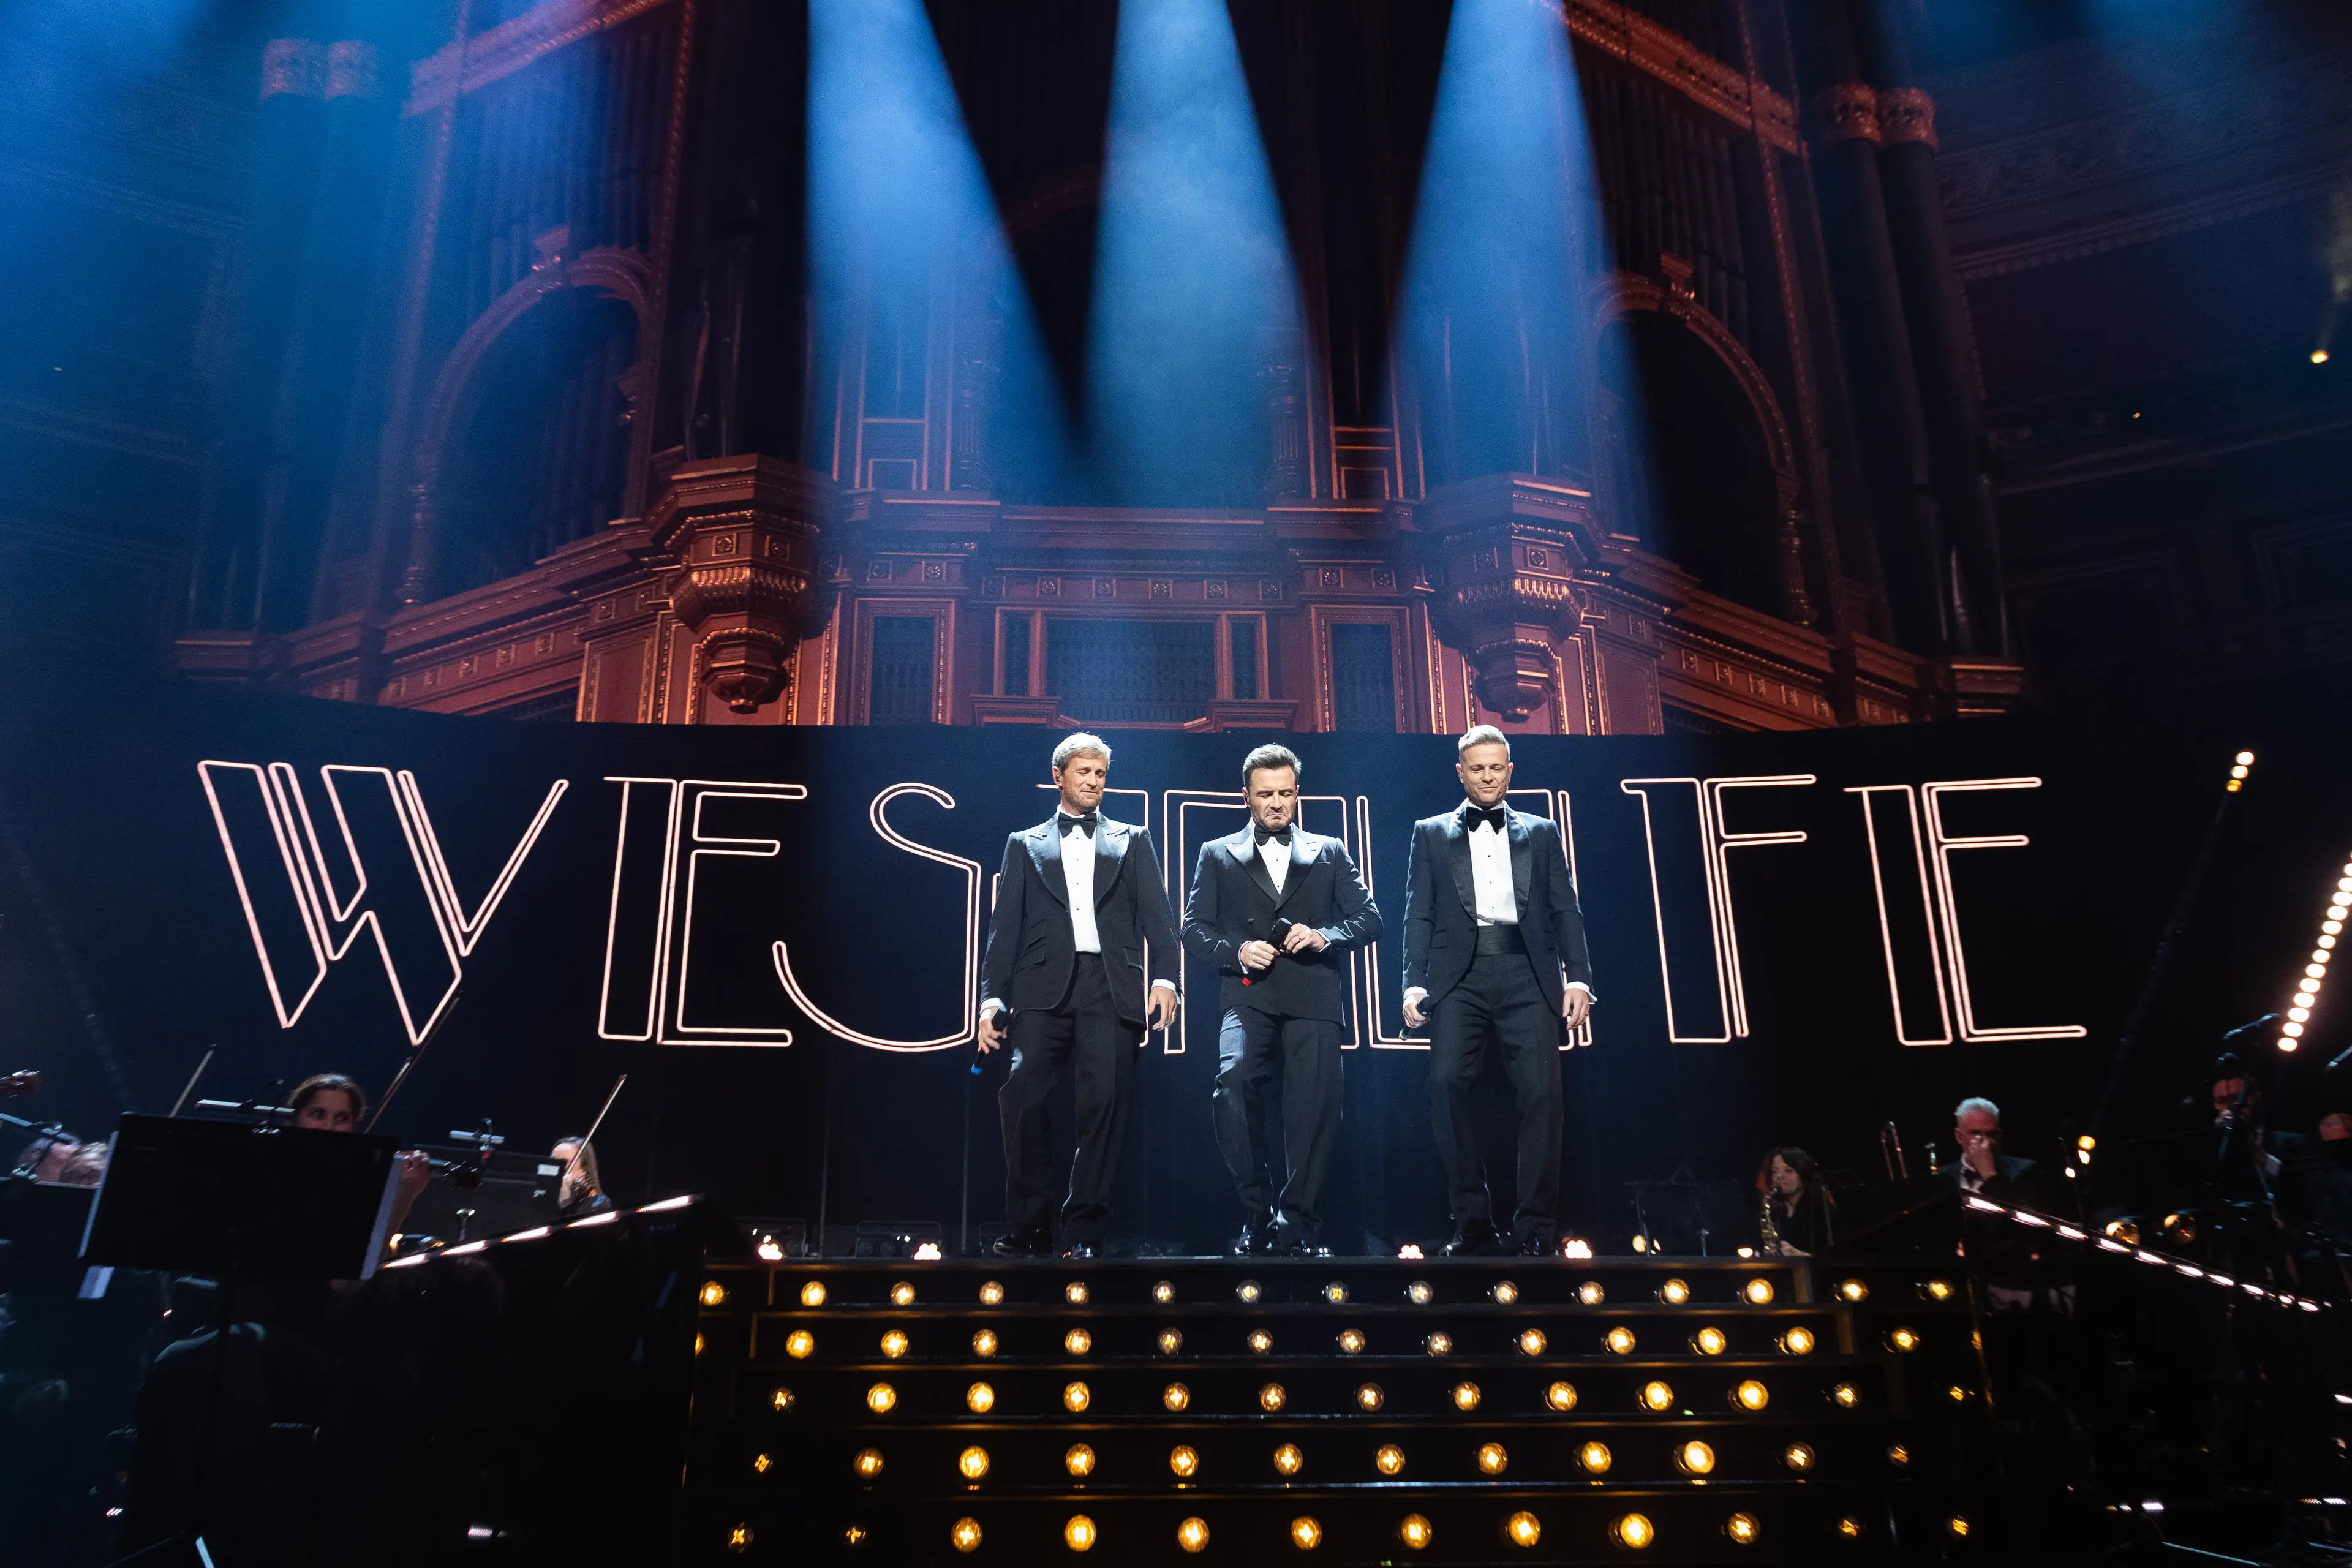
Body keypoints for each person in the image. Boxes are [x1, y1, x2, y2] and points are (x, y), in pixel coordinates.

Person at [977, 733, 1180, 1261]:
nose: (1093, 782)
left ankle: (1085, 1230)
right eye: (1084, 772)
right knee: (1024, 1096)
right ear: (1059, 774)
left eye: (1101, 774)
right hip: (1041, 987)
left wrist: (1165, 981)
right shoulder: (1025, 843)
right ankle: (1031, 1226)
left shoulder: (1133, 839)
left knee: (1105, 1108)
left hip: (1111, 988)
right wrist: (991, 1000)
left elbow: (1158, 919)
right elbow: (1005, 930)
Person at [1400, 726, 1596, 1257]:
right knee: (1445, 1086)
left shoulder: (1542, 831)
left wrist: (1577, 977)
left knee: (1542, 1095)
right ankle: (1473, 1220)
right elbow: (1418, 910)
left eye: (1496, 768)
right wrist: (1412, 982)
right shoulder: (1431, 832)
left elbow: (1565, 910)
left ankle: (1535, 1225)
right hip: (1457, 977)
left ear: (1510, 771)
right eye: (1477, 768)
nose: (1487, 776)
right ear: (1460, 772)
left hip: (1526, 973)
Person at [1182, 744, 1381, 1257]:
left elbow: (1370, 919)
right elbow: (1193, 930)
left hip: (1312, 992)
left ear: (1298, 794)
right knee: (1234, 1082)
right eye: (1266, 794)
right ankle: (1257, 1212)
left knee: (1315, 1109)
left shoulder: (1329, 849)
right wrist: (1239, 949)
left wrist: (1325, 936)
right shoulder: (1217, 852)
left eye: (1286, 794)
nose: (1276, 803)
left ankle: (1299, 1225)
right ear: (1245, 796)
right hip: (1247, 993)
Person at [288, 1074, 432, 1234]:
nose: (329, 1127)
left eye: (342, 1118)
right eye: (318, 1114)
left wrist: (407, 1193)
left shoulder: (357, 1181)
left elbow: (368, 1255)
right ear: (295, 1117)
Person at [1939, 1095, 2040, 1203]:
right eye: (1976, 1133)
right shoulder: (1943, 1176)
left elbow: (2013, 1217)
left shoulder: (2024, 1171)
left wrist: (1989, 1173)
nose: (1987, 1141)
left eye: (1992, 1134)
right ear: (1959, 1137)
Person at [1757, 1147, 1835, 1256]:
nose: (1779, 1177)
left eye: (1788, 1171)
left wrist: (1800, 1256)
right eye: (1775, 1172)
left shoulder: (1822, 1210)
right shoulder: (1771, 1211)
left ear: (1804, 1174)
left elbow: (1837, 1258)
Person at [551, 1135, 613, 1218]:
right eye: (552, 1162)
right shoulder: (539, 1196)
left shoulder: (599, 1204)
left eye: (564, 1164)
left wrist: (566, 1206)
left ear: (584, 1171)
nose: (556, 1169)